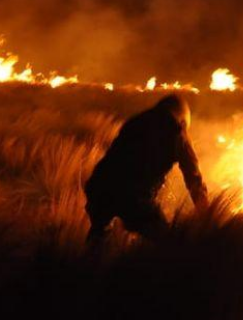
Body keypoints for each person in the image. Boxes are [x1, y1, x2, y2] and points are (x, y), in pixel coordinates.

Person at [84, 95, 208, 248]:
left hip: (99, 186)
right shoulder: (177, 132)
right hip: (133, 197)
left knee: (99, 233)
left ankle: (87, 266)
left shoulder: (136, 121)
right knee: (168, 244)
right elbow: (194, 178)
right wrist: (207, 216)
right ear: (183, 120)